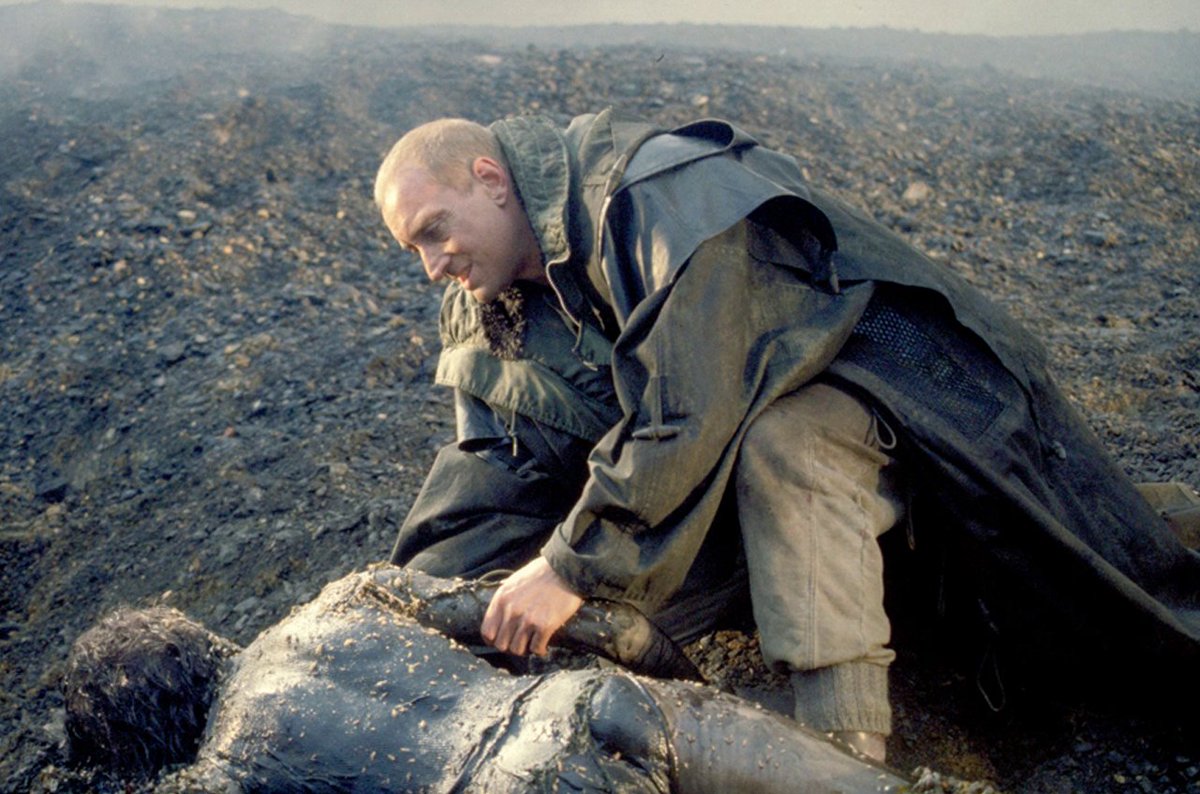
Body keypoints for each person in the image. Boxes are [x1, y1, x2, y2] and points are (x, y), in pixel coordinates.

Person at [374, 110, 1200, 761]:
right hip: (710, 461)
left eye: (436, 230)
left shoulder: (655, 195)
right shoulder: (487, 300)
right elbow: (495, 468)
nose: (432, 264)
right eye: (412, 249)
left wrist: (569, 567)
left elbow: (690, 405)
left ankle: (843, 752)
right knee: (539, 608)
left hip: (890, 387)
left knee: (805, 458)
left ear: (491, 180)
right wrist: (408, 609)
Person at [61, 566, 910, 792]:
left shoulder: (217, 775)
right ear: (199, 640)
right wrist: (689, 691)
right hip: (591, 705)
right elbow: (598, 624)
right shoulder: (344, 600)